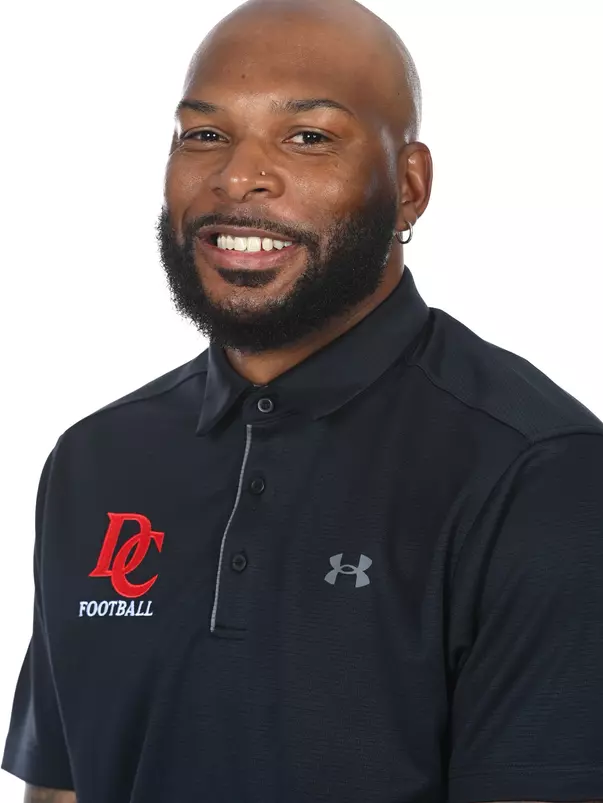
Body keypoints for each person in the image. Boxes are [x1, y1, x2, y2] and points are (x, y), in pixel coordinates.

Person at [3, 0, 603, 801]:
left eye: (308, 136)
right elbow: (64, 783)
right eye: (204, 134)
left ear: (409, 187)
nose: (237, 175)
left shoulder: (539, 474)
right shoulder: (95, 461)